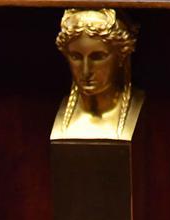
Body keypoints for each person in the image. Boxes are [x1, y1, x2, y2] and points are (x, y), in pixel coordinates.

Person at [53, 8, 141, 140]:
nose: (86, 71)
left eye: (98, 57)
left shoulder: (140, 106)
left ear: (121, 56)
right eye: (76, 57)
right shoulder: (59, 113)